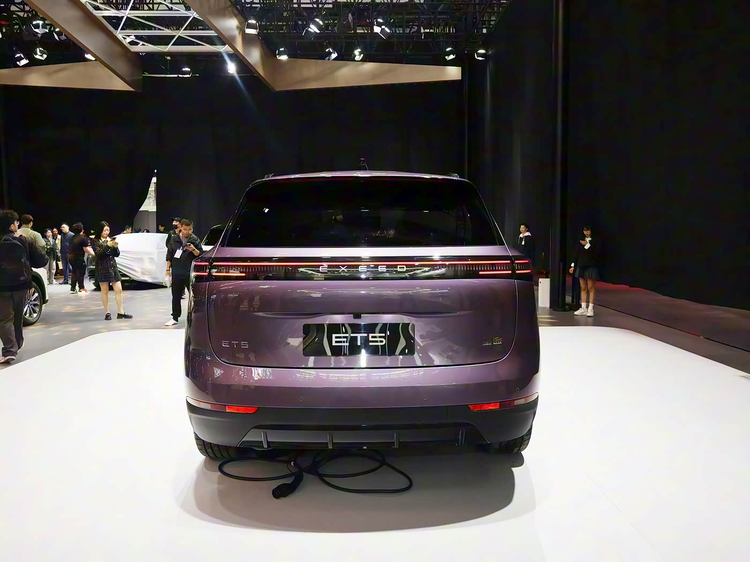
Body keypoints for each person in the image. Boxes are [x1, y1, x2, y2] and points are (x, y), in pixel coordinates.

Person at [0, 210, 47, 364]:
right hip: (21, 285)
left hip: (2, 287)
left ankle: (9, 350)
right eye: (16, 223)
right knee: (18, 316)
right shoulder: (22, 240)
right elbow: (41, 260)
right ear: (11, 226)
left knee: (4, 318)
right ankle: (17, 344)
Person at [165, 219, 203, 326]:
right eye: (185, 229)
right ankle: (175, 317)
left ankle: (197, 316)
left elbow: (200, 255)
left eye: (190, 229)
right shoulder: (174, 239)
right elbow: (169, 255)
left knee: (194, 295)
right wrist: (167, 270)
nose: (187, 232)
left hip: (189, 272)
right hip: (176, 271)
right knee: (176, 295)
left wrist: (193, 249)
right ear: (181, 227)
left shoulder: (195, 239)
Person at [92, 221, 133, 321]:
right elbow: (99, 254)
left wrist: (115, 247)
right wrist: (108, 245)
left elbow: (116, 254)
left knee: (119, 289)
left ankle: (121, 312)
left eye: (108, 230)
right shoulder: (95, 241)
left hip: (112, 267)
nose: (106, 232)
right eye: (104, 230)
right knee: (105, 290)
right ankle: (107, 312)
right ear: (100, 230)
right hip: (102, 267)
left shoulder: (110, 239)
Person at [569, 225, 600, 317]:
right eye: (585, 231)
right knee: (583, 287)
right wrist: (572, 265)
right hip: (581, 265)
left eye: (588, 230)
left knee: (591, 287)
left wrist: (587, 245)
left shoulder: (595, 241)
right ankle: (583, 308)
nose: (586, 232)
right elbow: (576, 254)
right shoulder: (580, 241)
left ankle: (590, 308)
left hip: (590, 266)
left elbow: (596, 253)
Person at [68, 222, 94, 295]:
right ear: (81, 230)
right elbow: (85, 249)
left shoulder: (72, 237)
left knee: (74, 272)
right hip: (78, 258)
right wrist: (93, 254)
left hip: (71, 257)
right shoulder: (82, 238)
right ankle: (81, 288)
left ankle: (73, 288)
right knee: (80, 273)